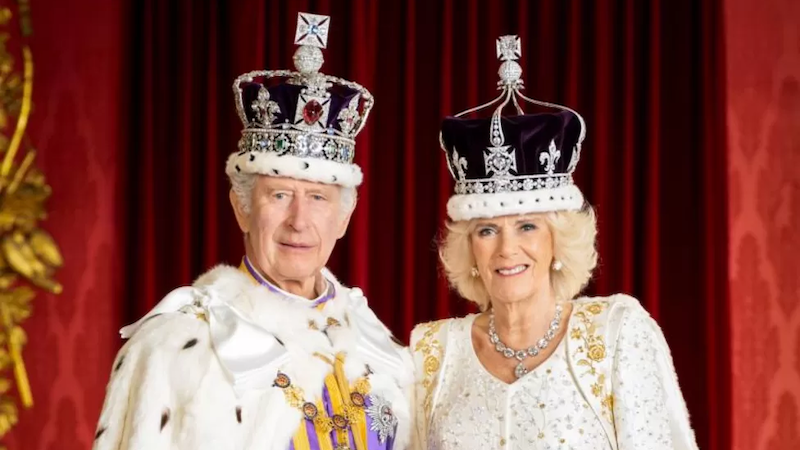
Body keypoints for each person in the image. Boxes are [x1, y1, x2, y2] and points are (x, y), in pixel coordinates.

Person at [93, 13, 411, 450]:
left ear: (344, 219)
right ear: (241, 208)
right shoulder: (177, 346)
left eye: (318, 198)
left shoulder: (378, 346)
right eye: (279, 195)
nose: (299, 220)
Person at [409, 35, 698, 450]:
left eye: (527, 226)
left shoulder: (616, 333)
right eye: (487, 230)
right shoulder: (431, 352)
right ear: (469, 248)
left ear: (557, 242)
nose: (507, 249)